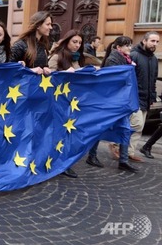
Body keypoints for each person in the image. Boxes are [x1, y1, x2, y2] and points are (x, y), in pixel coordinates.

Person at [47, 29, 87, 177]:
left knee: (69, 133)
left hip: (72, 101)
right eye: (74, 42)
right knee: (58, 133)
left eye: (80, 43)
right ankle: (55, 162)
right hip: (57, 102)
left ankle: (64, 163)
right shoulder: (56, 57)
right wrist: (64, 73)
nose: (77, 45)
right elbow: (48, 78)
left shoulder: (77, 58)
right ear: (67, 41)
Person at [96, 36, 139, 173]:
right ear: (119, 47)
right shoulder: (112, 60)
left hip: (122, 102)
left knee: (125, 129)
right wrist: (128, 69)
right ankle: (91, 156)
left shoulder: (127, 60)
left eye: (130, 45)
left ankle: (123, 161)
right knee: (101, 129)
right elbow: (113, 80)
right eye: (127, 46)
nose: (130, 48)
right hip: (111, 102)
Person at [131, 32, 160, 159]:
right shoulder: (134, 55)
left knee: (140, 127)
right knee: (136, 125)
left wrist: (152, 97)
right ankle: (118, 147)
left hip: (146, 99)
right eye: (152, 41)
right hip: (134, 98)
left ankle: (129, 153)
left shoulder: (154, 59)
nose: (155, 44)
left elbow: (153, 80)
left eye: (157, 42)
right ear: (144, 41)